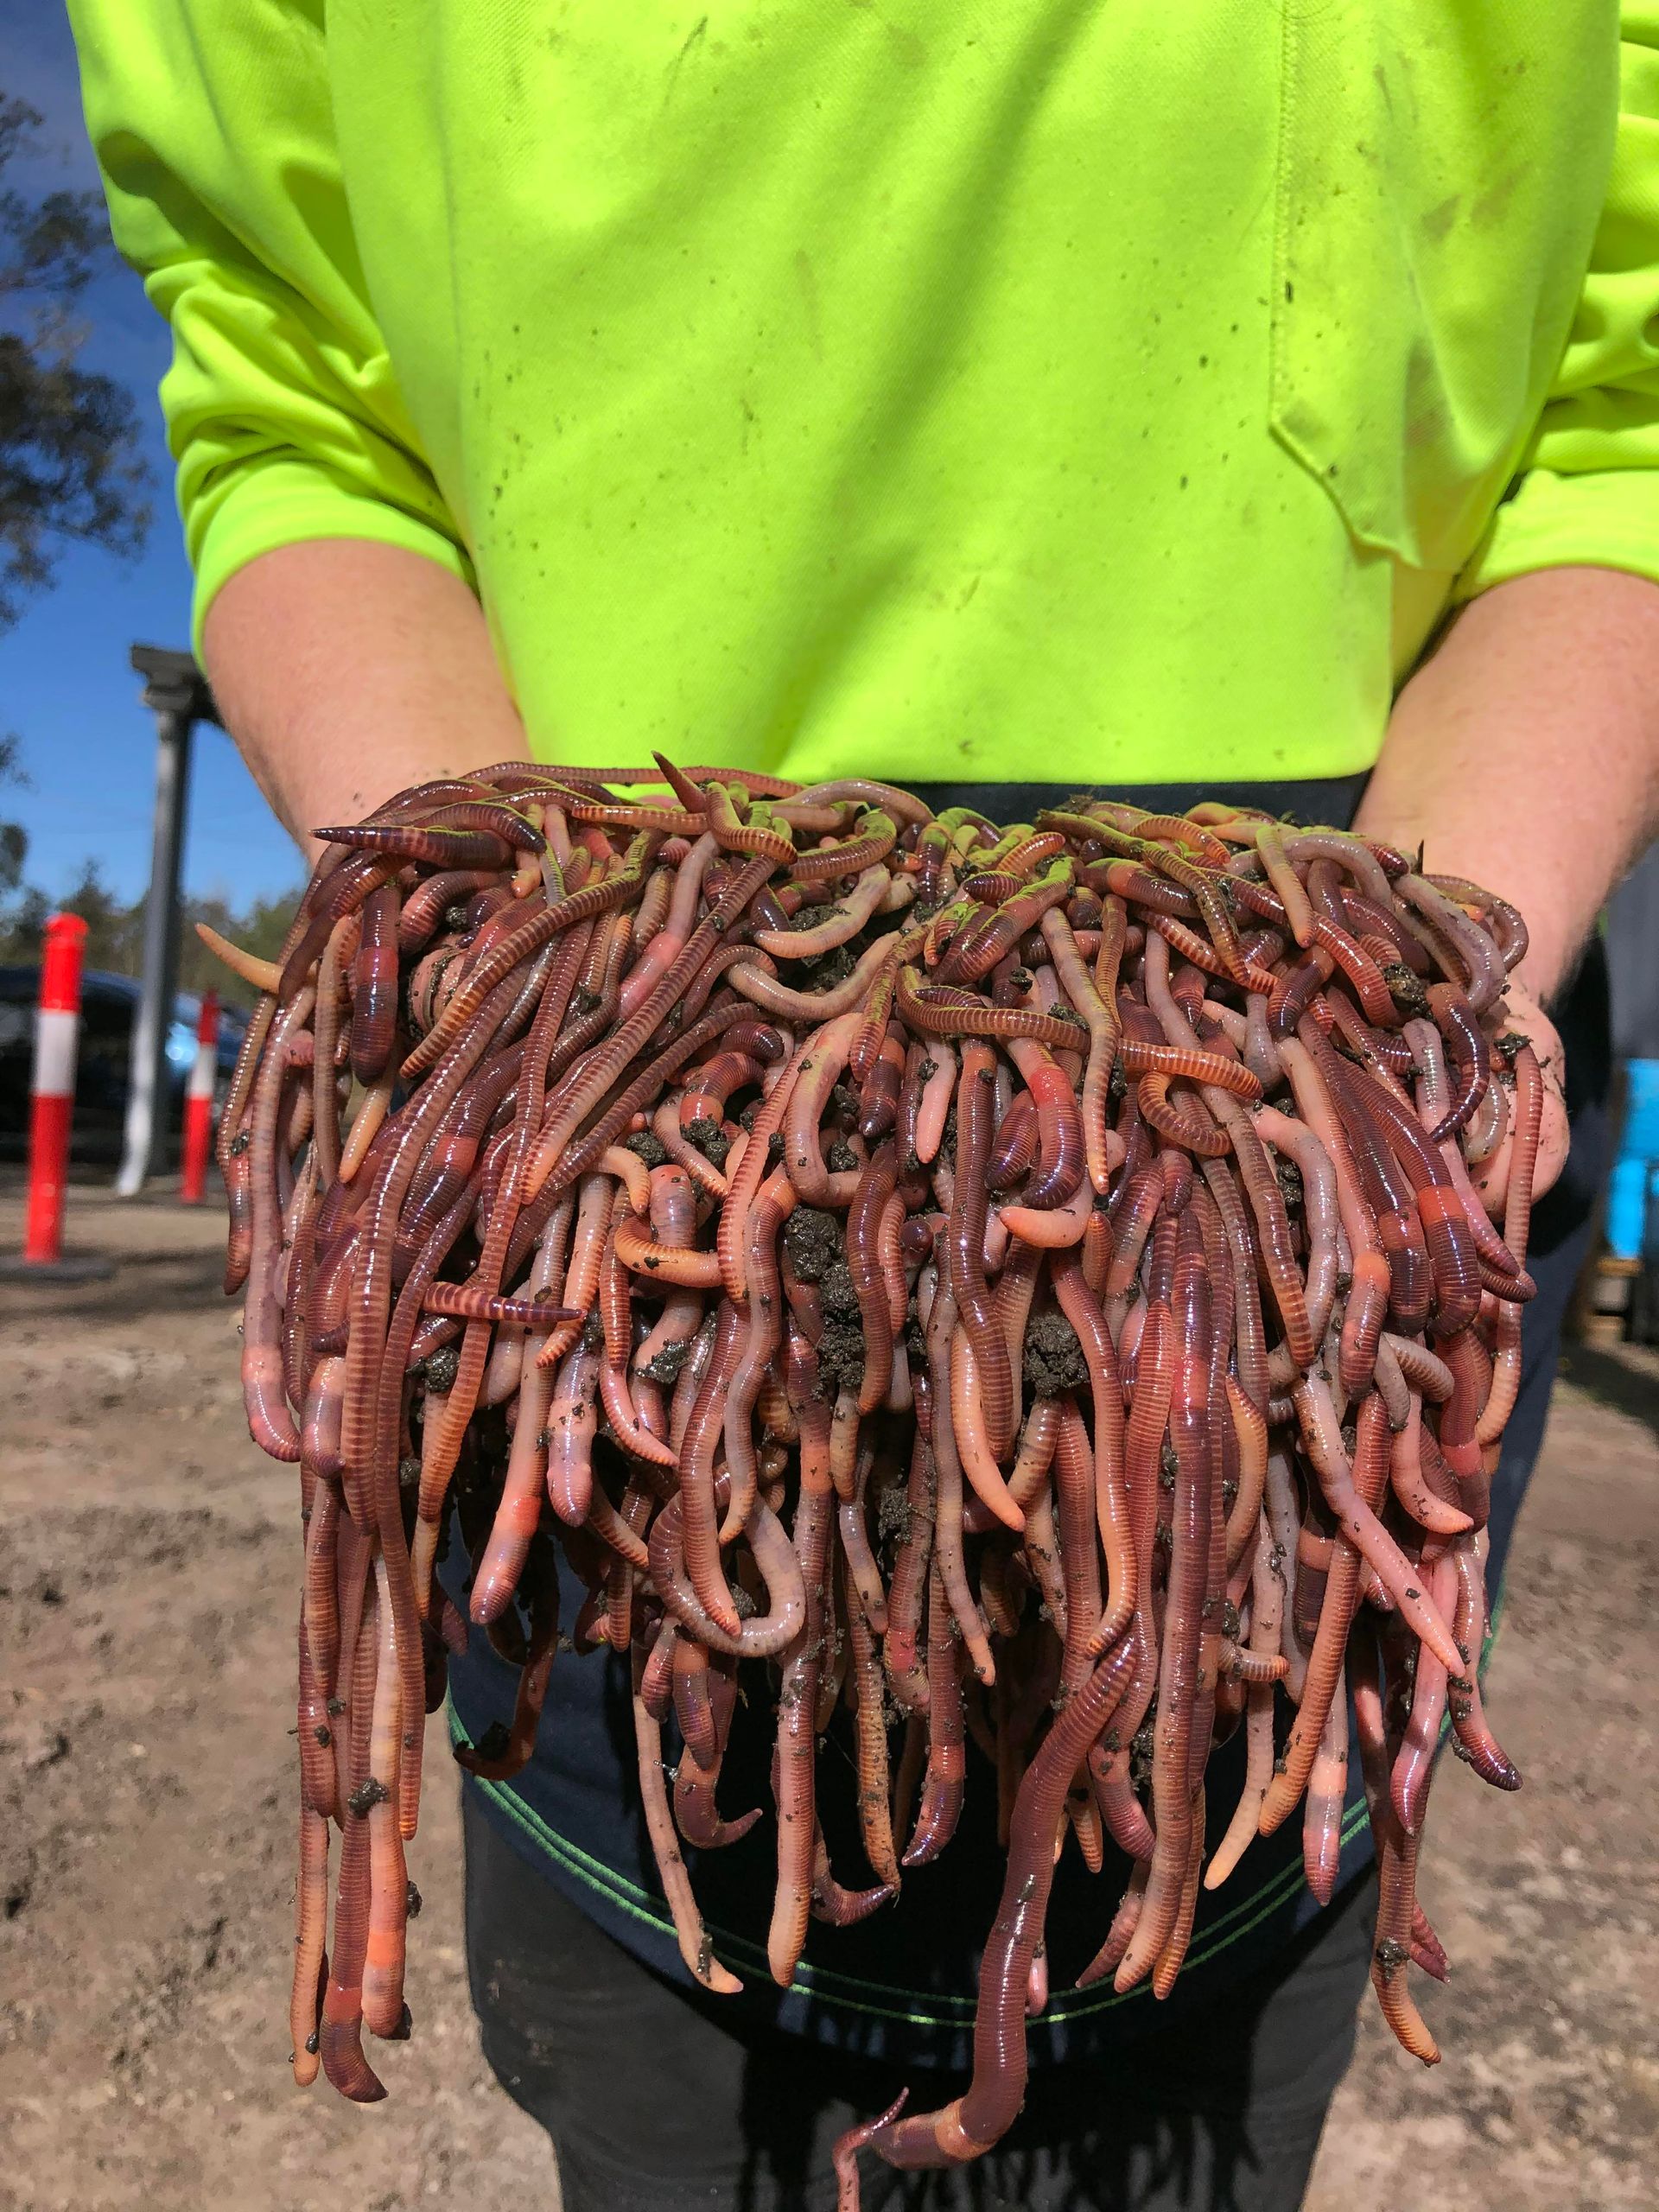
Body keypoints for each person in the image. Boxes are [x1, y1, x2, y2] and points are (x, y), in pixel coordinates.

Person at [67, 7, 1659, 2208]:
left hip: (1330, 1105)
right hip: (609, 1190)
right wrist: (547, 997)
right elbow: (295, 395)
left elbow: (1624, 413)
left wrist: (1419, 987)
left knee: (1194, 2017)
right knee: (683, 2025)